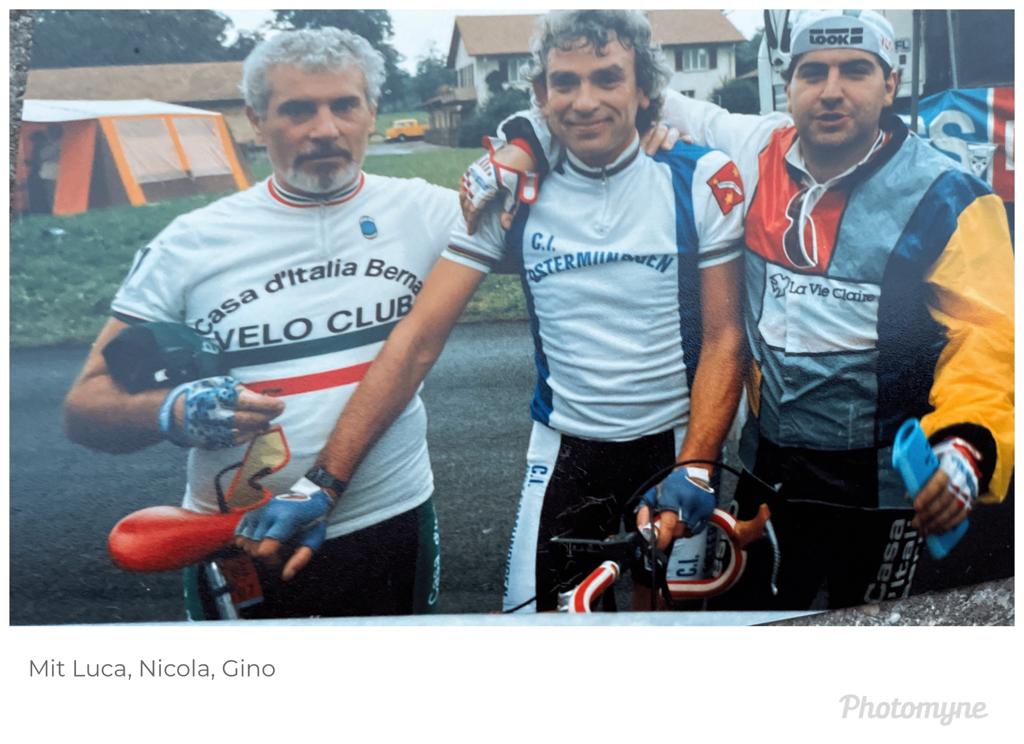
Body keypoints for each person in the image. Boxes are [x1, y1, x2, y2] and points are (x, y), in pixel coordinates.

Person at [478, 9, 1014, 609]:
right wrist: (523, 140)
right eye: (813, 72)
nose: (831, 90)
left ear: (891, 83)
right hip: (769, 474)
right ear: (788, 85)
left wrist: (967, 444)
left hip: (891, 489)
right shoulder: (754, 149)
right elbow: (604, 95)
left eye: (856, 71)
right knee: (750, 632)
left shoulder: (950, 194)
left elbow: (991, 337)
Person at [263, 10, 747, 612]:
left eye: (607, 78)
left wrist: (698, 464)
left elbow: (725, 337)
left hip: (676, 444)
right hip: (566, 448)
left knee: (671, 630)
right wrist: (323, 482)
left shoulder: (701, 176)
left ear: (644, 89)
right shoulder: (512, 190)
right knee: (540, 628)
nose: (585, 101)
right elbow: (417, 339)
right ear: (541, 94)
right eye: (564, 82)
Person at [63, 27, 461, 619]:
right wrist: (170, 411)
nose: (325, 129)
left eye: (344, 105)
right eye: (298, 110)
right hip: (237, 540)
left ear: (371, 113)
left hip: (386, 520)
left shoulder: (426, 210)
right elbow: (83, 409)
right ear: (255, 121)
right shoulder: (192, 242)